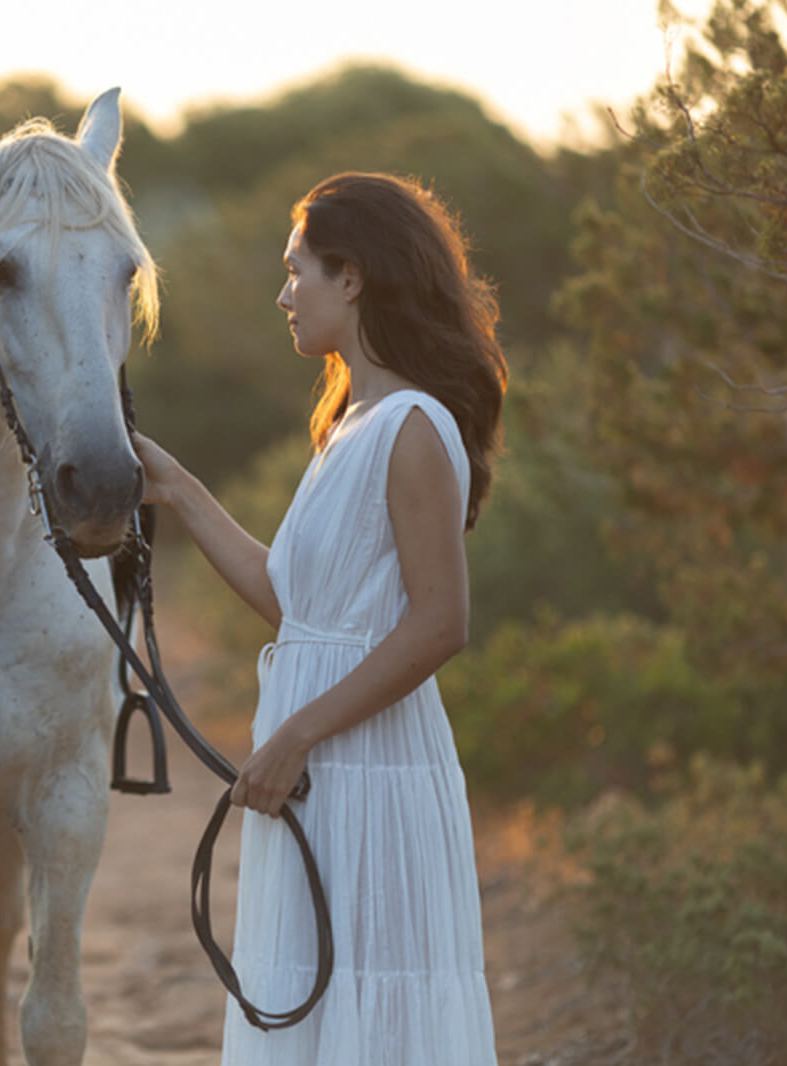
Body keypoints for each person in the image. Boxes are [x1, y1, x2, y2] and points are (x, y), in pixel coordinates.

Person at [132, 172, 507, 1065]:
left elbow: (441, 621)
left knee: (374, 1008)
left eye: (297, 270)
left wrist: (297, 733)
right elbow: (295, 604)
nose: (283, 294)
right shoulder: (349, 420)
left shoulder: (413, 423)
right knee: (313, 1006)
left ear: (354, 276)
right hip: (321, 767)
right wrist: (178, 490)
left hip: (371, 771)